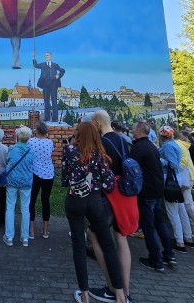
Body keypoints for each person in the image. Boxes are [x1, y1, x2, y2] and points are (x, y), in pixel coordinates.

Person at [62, 122, 125, 303]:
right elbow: (109, 183)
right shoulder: (100, 154)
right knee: (108, 245)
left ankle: (84, 294)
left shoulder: (69, 151)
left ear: (79, 134)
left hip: (75, 200)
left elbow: (65, 179)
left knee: (78, 245)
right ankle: (120, 294)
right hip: (95, 201)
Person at [90, 110, 134, 302]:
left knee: (94, 235)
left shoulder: (102, 143)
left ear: (99, 124)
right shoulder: (125, 140)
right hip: (126, 195)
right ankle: (126, 290)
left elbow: (98, 172)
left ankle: (112, 287)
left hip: (110, 196)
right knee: (121, 239)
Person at [129, 121, 175, 271]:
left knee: (148, 226)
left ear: (137, 131)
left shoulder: (138, 147)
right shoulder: (151, 146)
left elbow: (130, 168)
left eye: (132, 129)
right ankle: (169, 254)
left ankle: (156, 260)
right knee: (159, 223)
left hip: (146, 191)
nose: (131, 131)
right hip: (157, 189)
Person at [3, 126, 35, 247]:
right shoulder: (31, 151)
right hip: (26, 182)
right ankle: (25, 238)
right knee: (25, 209)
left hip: (12, 181)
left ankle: (9, 236)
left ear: (17, 136)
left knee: (10, 207)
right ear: (28, 138)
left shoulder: (11, 148)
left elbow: (8, 161)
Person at [28, 121, 55, 240]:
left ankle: (31, 229)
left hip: (34, 173)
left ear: (37, 131)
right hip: (49, 174)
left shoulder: (30, 141)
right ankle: (45, 230)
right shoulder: (50, 142)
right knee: (46, 201)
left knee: (32, 200)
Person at [33, 50, 65, 122]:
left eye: (47, 55)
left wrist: (58, 75)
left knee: (54, 101)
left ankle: (55, 118)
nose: (46, 57)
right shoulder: (43, 64)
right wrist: (34, 57)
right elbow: (35, 65)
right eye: (45, 56)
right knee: (46, 101)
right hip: (45, 84)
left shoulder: (55, 65)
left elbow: (63, 71)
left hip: (54, 84)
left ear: (50, 56)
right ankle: (47, 118)